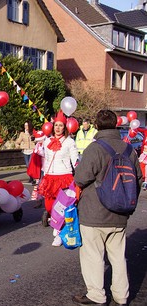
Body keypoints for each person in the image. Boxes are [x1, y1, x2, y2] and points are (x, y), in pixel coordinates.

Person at [72, 110, 142, 306]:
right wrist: (128, 204)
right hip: (120, 214)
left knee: (93, 255)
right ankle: (121, 296)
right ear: (116, 124)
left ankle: (96, 295)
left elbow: (81, 178)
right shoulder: (128, 150)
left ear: (97, 125)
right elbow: (137, 179)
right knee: (118, 257)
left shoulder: (94, 149)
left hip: (94, 213)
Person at [38, 111, 78, 246]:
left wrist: (79, 173)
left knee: (61, 207)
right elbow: (45, 159)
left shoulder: (69, 142)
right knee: (49, 206)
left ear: (65, 127)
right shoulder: (47, 141)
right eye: (56, 125)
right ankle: (56, 224)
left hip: (64, 177)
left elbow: (75, 160)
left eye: (61, 125)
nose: (58, 128)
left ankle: (59, 233)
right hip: (50, 178)